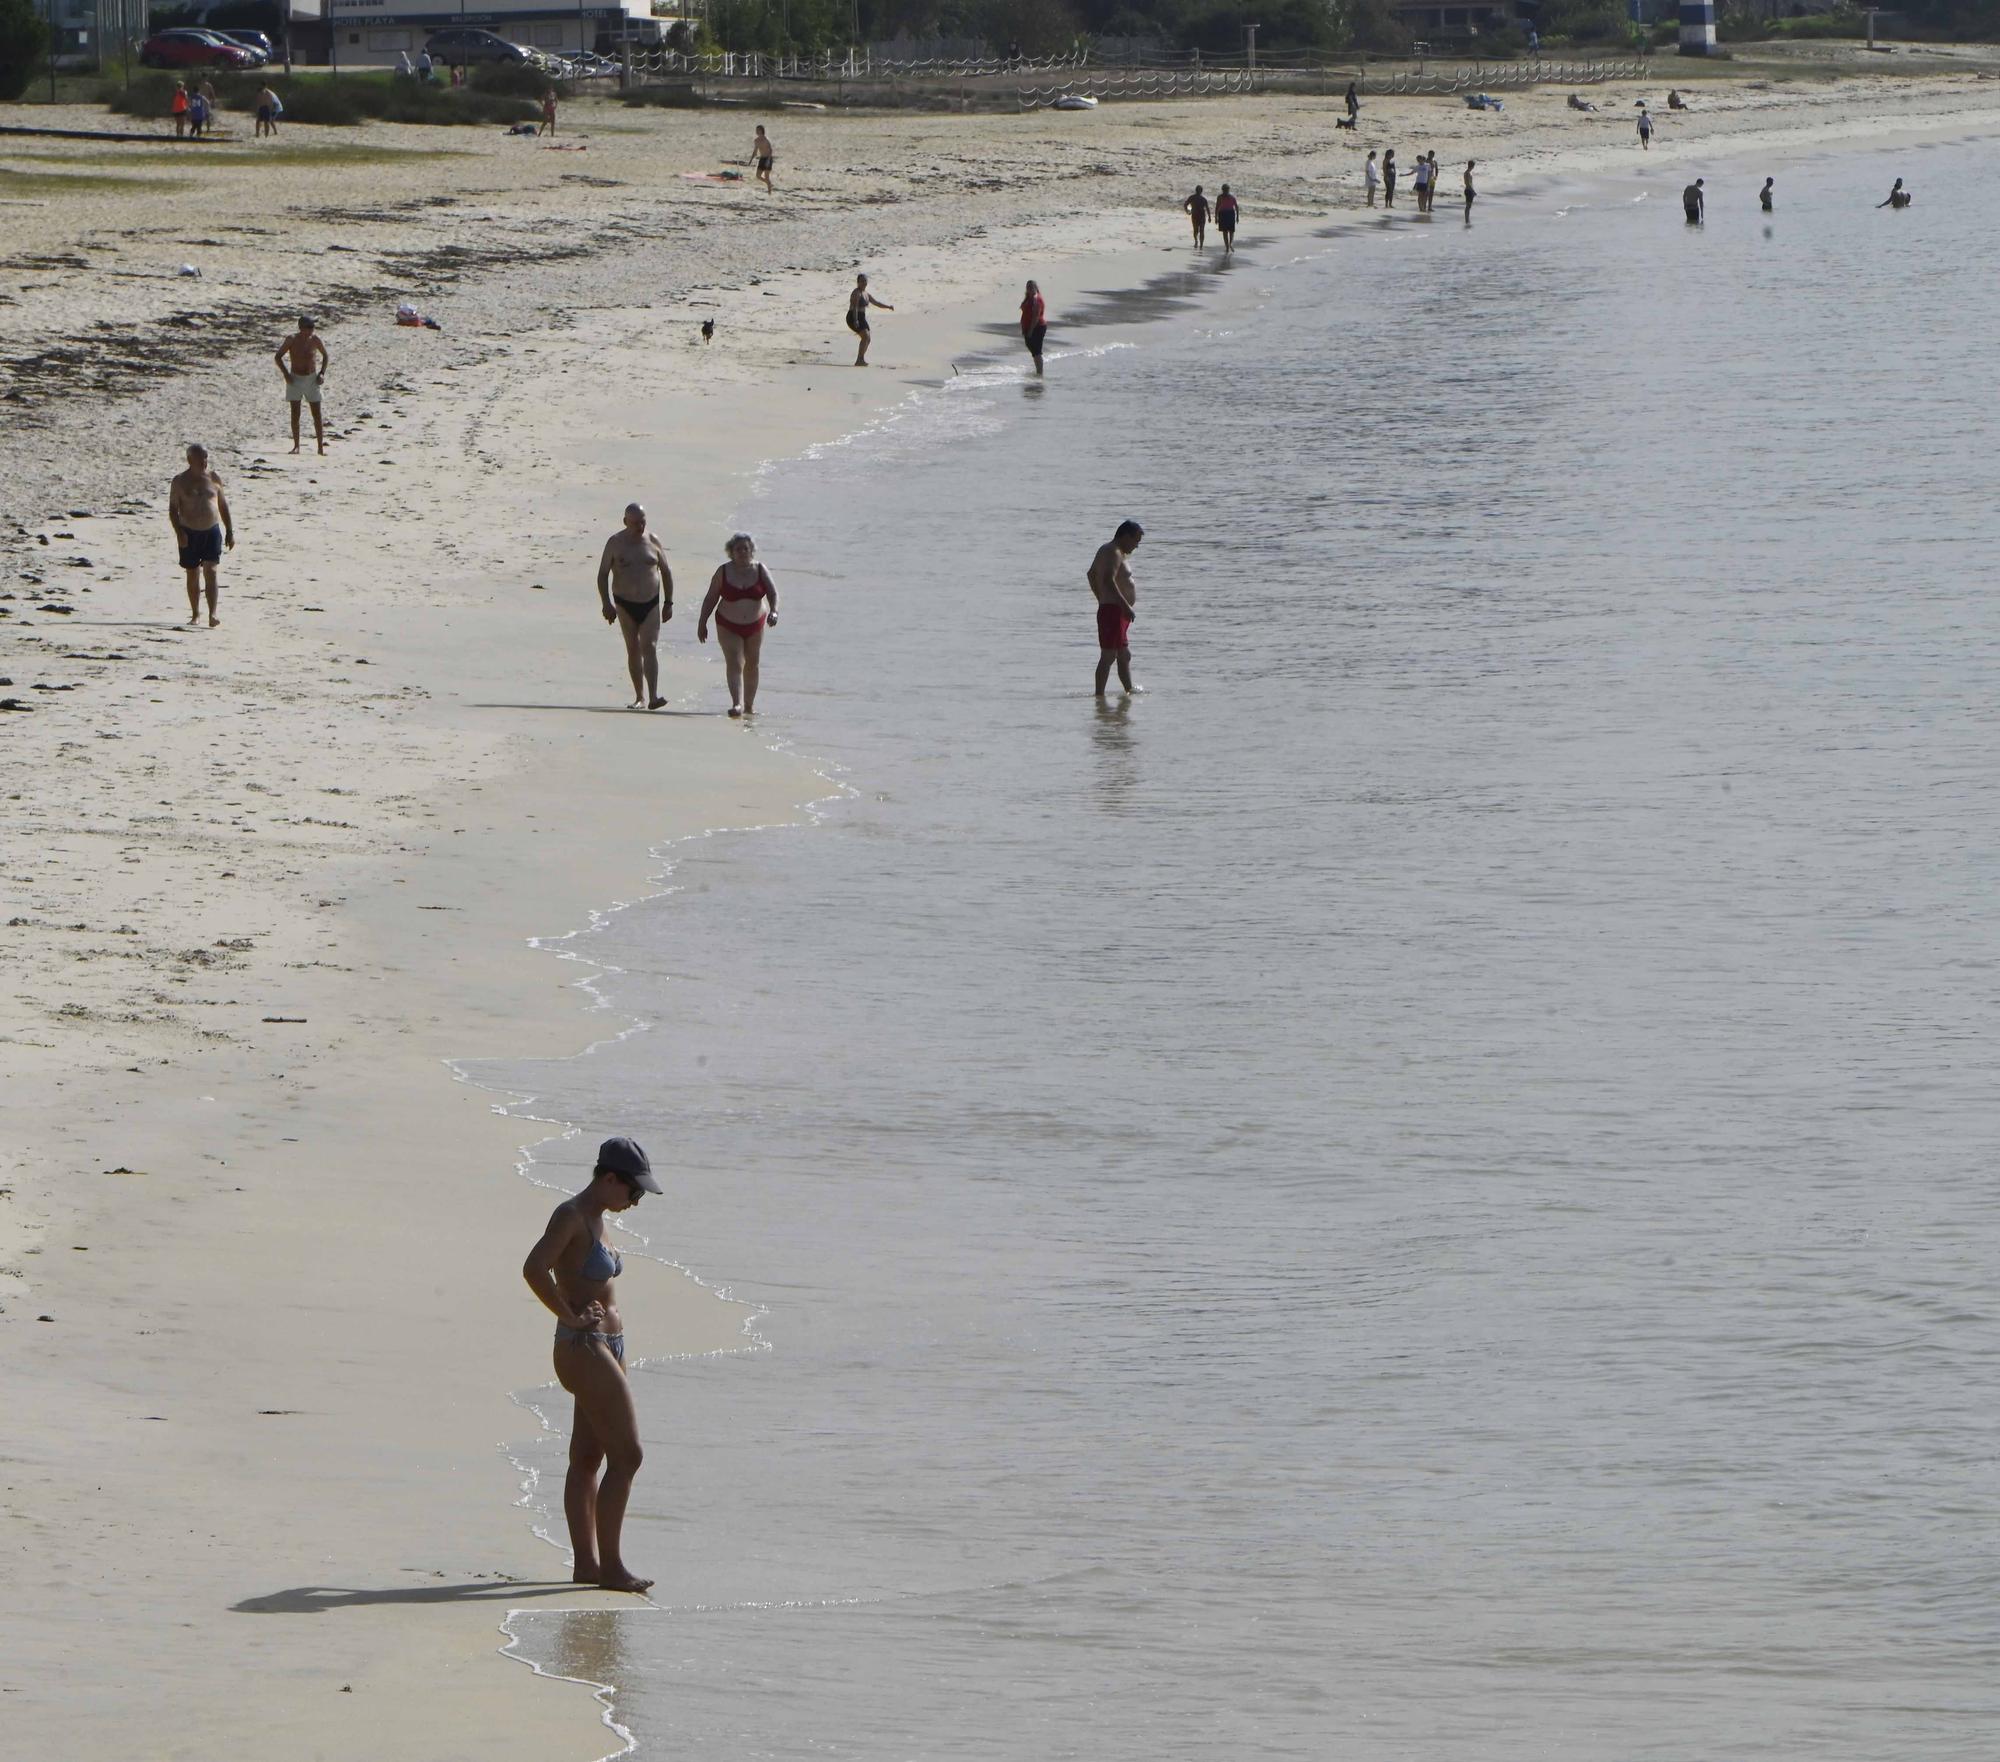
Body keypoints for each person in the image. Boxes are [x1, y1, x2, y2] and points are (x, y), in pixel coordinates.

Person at [521, 1135, 662, 1596]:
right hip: (583, 1346)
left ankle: (588, 1564)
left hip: (608, 1345)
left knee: (588, 1458)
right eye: (633, 1190)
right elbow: (534, 1267)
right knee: (630, 1456)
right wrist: (569, 1314)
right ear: (607, 1179)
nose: (636, 1200)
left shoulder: (600, 1219)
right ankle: (613, 1568)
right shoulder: (571, 1216)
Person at [596, 503, 673, 710]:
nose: (640, 526)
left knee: (650, 647)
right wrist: (606, 604)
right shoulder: (615, 543)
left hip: (650, 603)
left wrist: (669, 603)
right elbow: (603, 574)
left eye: (643, 522)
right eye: (635, 523)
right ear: (625, 522)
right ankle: (639, 697)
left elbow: (666, 572)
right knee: (633, 648)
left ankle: (654, 696)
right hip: (624, 603)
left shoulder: (653, 540)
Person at [697, 533, 778, 718]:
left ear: (752, 551)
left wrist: (774, 611)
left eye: (746, 549)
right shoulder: (723, 571)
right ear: (731, 552)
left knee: (752, 663)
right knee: (734, 661)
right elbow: (711, 598)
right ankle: (737, 704)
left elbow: (773, 593)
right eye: (738, 549)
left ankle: (749, 706)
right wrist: (702, 622)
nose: (742, 552)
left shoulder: (760, 570)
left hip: (755, 623)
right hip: (727, 623)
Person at [168, 444, 233, 628]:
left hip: (211, 530)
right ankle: (195, 614)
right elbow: (173, 510)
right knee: (193, 573)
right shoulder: (179, 481)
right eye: (200, 458)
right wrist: (179, 532)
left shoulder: (214, 478)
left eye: (206, 457)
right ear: (190, 460)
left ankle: (213, 614)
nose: (204, 462)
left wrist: (229, 530)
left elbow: (223, 505)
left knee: (211, 571)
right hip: (189, 533)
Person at [1089, 520, 1143, 698]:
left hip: (1115, 611)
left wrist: (1101, 599)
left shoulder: (1110, 551)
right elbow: (1107, 581)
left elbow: (1091, 574)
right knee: (1109, 655)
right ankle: (1099, 697)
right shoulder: (1113, 552)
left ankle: (1129, 691)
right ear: (1125, 536)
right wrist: (1124, 605)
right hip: (1114, 611)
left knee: (1123, 654)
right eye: (1135, 541)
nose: (1136, 546)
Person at [274, 316, 329, 454]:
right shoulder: (291, 339)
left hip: (311, 379)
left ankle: (320, 447)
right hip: (295, 378)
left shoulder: (315, 340)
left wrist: (322, 373)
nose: (310, 331)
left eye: (312, 328)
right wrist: (286, 374)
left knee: (317, 414)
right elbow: (278, 356)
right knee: (295, 413)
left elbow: (325, 356)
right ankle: (296, 445)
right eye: (308, 328)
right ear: (301, 328)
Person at [845, 273, 891, 366]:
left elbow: (877, 303)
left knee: (868, 338)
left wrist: (888, 307)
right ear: (858, 282)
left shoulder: (866, 294)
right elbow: (855, 307)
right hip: (853, 316)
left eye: (865, 281)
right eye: (861, 281)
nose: (863, 283)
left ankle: (861, 358)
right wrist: (855, 320)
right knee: (865, 336)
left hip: (862, 317)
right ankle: (859, 360)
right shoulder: (856, 293)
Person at [1020, 278, 1047, 376]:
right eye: (1028, 287)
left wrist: (1031, 330)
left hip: (1037, 327)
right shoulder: (1028, 297)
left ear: (1036, 288)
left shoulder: (1036, 299)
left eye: (1031, 287)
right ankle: (1038, 371)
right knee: (1034, 351)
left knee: (1037, 351)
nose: (1030, 289)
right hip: (1029, 327)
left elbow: (1036, 316)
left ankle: (1040, 373)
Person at [1183, 184, 1209, 248]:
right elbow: (1207, 208)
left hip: (1196, 215)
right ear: (1201, 191)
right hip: (1200, 216)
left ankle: (1198, 242)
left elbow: (1185, 204)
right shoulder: (1203, 199)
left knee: (1197, 230)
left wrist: (1187, 211)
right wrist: (1210, 217)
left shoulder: (1193, 197)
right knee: (1199, 230)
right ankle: (1199, 243)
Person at [750, 124, 775, 191]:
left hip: (768, 158)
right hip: (762, 159)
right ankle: (769, 184)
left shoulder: (766, 139)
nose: (757, 131)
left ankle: (769, 191)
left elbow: (770, 150)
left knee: (766, 176)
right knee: (758, 176)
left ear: (761, 131)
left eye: (758, 130)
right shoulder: (756, 141)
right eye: (756, 130)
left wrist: (768, 160)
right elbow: (755, 151)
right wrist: (750, 160)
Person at [1215, 183, 1238, 252]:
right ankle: (1228, 245)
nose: (1226, 191)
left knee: (1229, 231)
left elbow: (1236, 207)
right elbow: (1236, 207)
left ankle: (1229, 245)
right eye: (1225, 189)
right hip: (1226, 213)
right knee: (1228, 231)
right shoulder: (1229, 197)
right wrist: (1216, 217)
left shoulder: (1229, 197)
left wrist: (1237, 217)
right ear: (1223, 190)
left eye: (1226, 189)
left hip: (1227, 213)